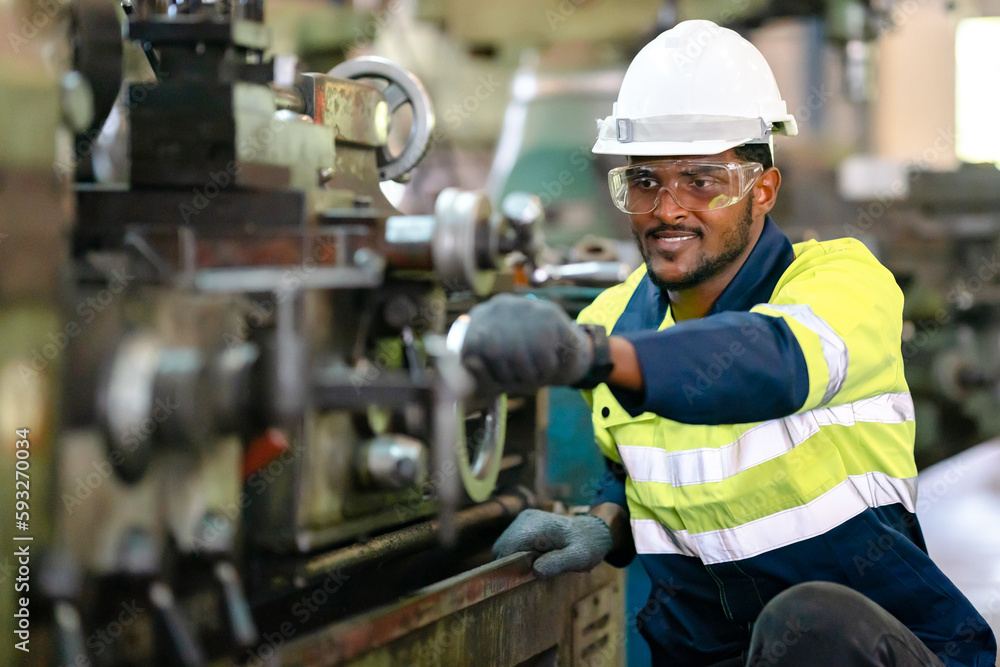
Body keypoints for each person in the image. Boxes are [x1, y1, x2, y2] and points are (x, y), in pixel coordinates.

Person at [460, 19, 998, 667]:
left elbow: (771, 362)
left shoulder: (841, 283)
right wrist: (603, 522)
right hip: (714, 653)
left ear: (761, 189)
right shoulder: (617, 315)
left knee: (809, 620)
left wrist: (595, 356)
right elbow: (642, 464)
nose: (668, 209)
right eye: (646, 182)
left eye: (702, 181)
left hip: (862, 650)